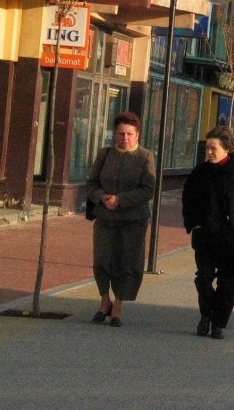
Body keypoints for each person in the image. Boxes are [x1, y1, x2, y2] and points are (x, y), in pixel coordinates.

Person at [182, 126, 234, 340]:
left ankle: (218, 323)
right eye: (207, 147)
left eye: (213, 148)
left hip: (233, 238)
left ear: (226, 148)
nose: (208, 152)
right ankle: (206, 314)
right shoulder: (200, 173)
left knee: (228, 282)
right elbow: (188, 200)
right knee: (204, 278)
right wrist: (194, 225)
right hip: (206, 237)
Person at [85, 112, 156, 328]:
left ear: (137, 135)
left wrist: (121, 200)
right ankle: (104, 300)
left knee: (128, 262)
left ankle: (118, 305)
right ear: (114, 135)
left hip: (133, 221)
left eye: (129, 134)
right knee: (102, 260)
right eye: (120, 134)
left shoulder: (145, 157)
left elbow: (148, 189)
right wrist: (100, 196)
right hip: (106, 218)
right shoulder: (105, 154)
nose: (125, 138)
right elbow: (92, 183)